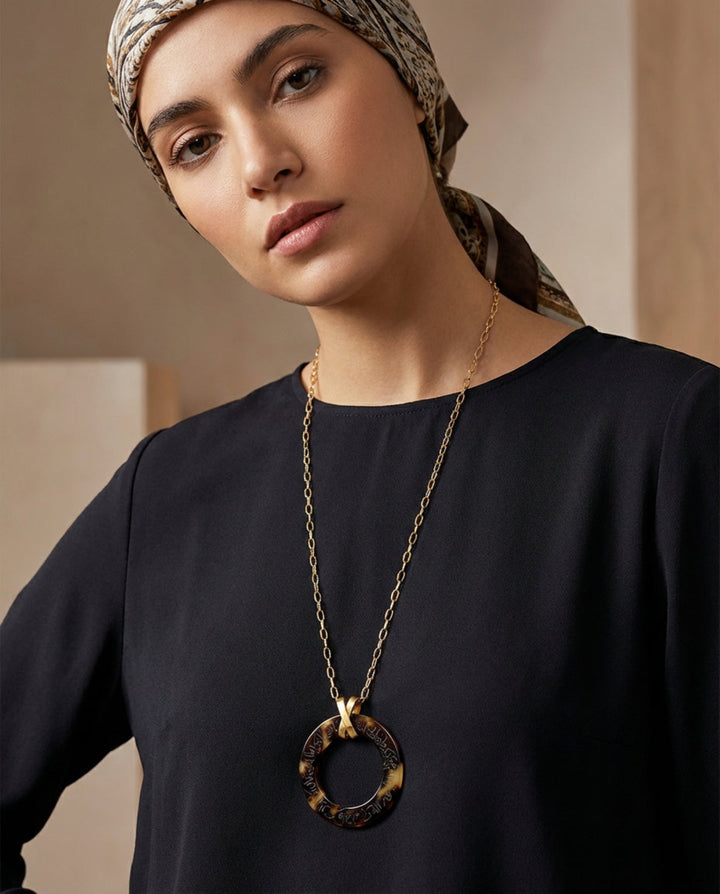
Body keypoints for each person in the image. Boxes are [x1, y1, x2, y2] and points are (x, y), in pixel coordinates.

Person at [1, 0, 718, 891]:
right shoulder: (167, 493)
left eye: (297, 79)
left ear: (410, 76)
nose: (262, 163)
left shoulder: (667, 439)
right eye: (194, 144)